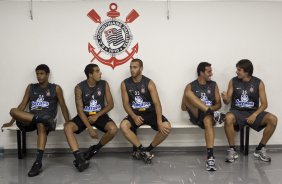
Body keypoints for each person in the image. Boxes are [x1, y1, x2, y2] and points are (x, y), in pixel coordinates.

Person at [1, 64, 70, 177]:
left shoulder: (55, 88)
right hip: (31, 119)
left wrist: (68, 121)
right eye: (37, 74)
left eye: (41, 73)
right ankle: (41, 119)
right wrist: (11, 122)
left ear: (47, 75)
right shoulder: (31, 87)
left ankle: (38, 162)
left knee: (41, 124)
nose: (39, 76)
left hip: (46, 119)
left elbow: (63, 106)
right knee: (13, 110)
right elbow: (22, 105)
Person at [64, 64, 117, 172]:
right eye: (97, 71)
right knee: (67, 127)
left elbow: (110, 104)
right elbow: (80, 110)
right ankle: (79, 158)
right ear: (90, 74)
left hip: (99, 114)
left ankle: (94, 149)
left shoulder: (104, 84)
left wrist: (97, 115)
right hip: (85, 116)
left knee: (113, 129)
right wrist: (89, 128)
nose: (100, 73)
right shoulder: (79, 87)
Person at [221, 59, 277, 163]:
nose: (236, 71)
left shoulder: (258, 83)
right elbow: (227, 101)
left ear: (246, 71)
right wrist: (224, 98)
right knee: (228, 118)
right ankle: (232, 150)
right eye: (237, 69)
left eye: (239, 70)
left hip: (252, 112)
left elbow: (264, 104)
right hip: (237, 112)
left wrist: (255, 115)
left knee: (273, 119)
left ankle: (260, 149)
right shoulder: (233, 81)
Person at [120, 58, 171, 164]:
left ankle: (147, 150)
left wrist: (159, 122)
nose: (132, 70)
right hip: (135, 114)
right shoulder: (125, 83)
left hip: (150, 113)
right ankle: (142, 149)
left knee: (167, 126)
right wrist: (134, 116)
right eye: (131, 67)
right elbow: (125, 104)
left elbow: (157, 103)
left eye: (135, 67)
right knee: (123, 126)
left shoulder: (149, 82)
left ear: (141, 68)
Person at [181, 62, 225, 171]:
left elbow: (219, 104)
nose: (211, 73)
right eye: (209, 71)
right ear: (201, 73)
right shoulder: (190, 86)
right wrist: (197, 104)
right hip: (196, 114)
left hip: (208, 117)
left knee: (208, 120)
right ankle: (211, 113)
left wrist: (209, 110)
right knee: (188, 93)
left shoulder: (213, 85)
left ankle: (210, 157)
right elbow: (183, 107)